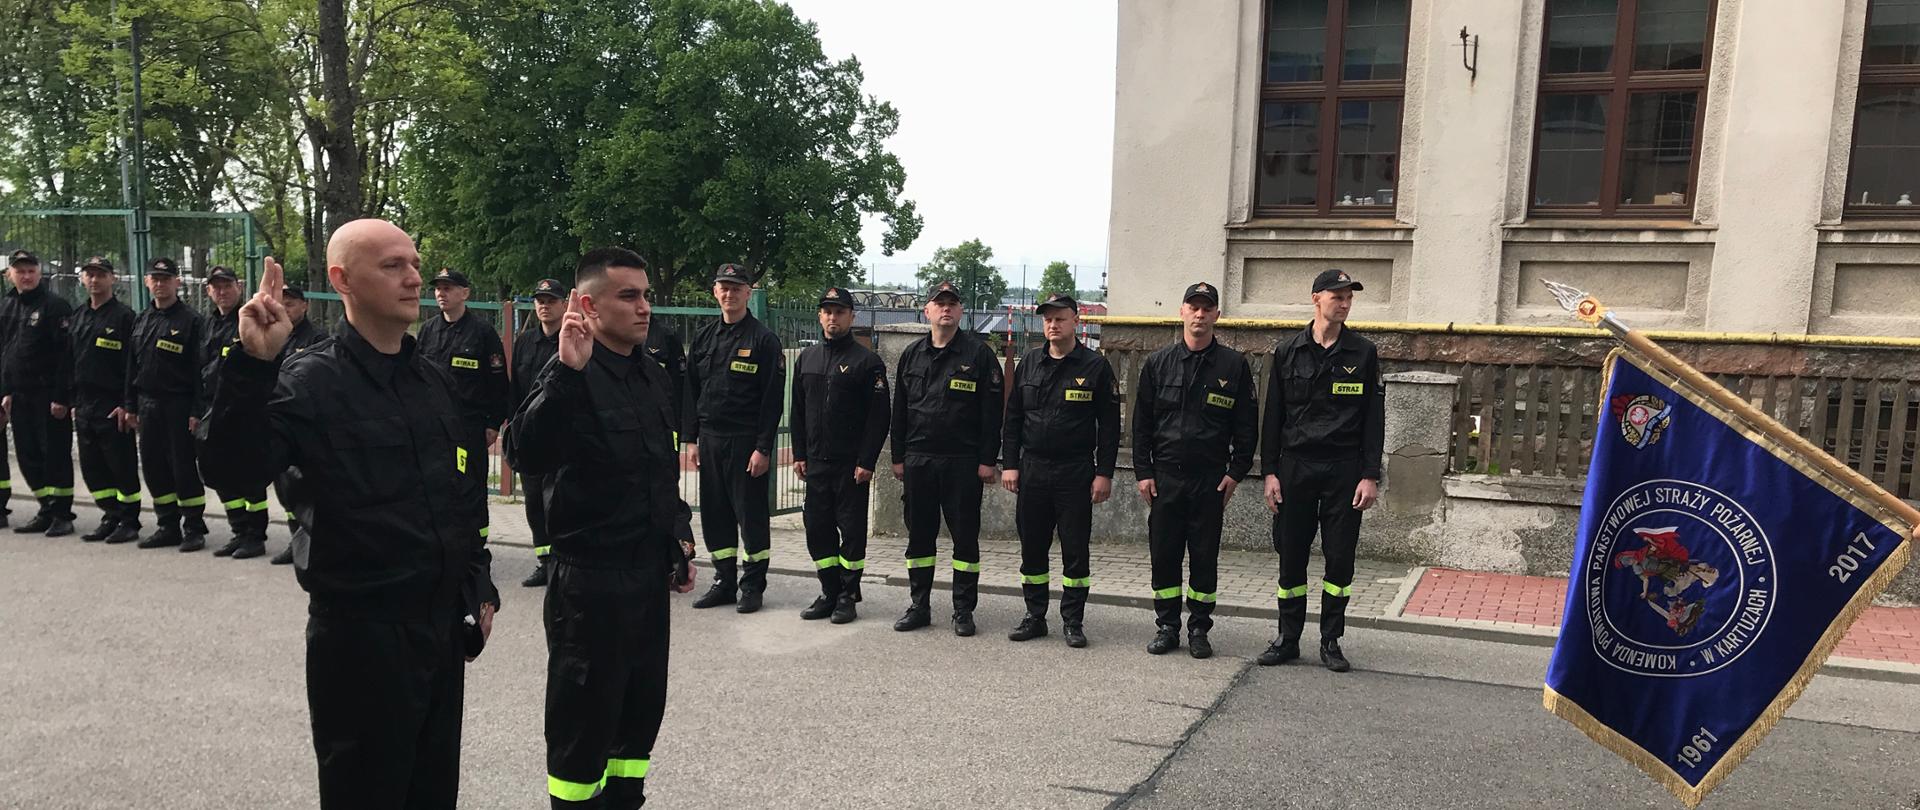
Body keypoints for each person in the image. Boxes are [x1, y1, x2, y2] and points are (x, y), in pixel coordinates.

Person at [199, 221, 500, 808]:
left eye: (414, 262)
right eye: (392, 266)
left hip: (438, 636)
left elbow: (458, 496)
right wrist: (252, 367)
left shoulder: (432, 381)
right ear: (342, 279)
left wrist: (476, 578)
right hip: (362, 641)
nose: (415, 277)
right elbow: (232, 472)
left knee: (432, 794)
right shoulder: (309, 380)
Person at [505, 248, 684, 809]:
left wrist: (677, 532)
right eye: (628, 296)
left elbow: (659, 467)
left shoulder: (652, 374)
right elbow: (523, 453)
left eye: (646, 294)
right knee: (584, 729)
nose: (644, 307)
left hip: (646, 579)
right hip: (589, 583)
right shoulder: (568, 372)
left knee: (636, 722)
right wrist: (565, 373)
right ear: (588, 304)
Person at [1259, 268, 1385, 673]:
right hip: (1295, 468)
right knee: (1291, 557)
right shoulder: (1287, 352)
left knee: (1340, 561)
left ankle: (1331, 640)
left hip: (1343, 471)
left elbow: (1372, 419)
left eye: (1349, 297)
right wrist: (1270, 472)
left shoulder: (1363, 353)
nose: (1345, 303)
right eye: (1338, 296)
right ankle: (1288, 638)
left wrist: (1370, 474)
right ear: (1316, 299)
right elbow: (1273, 417)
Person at [1132, 282, 1258, 659]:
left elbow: (1246, 427)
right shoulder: (1158, 363)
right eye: (1194, 307)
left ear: (1217, 315)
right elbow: (1141, 425)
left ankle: (1199, 628)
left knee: (1204, 557)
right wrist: (1143, 472)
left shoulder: (1233, 366)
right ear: (1182, 312)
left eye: (1207, 308)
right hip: (1166, 478)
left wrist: (1235, 473)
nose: (1200, 314)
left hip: (1210, 480)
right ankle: (1167, 626)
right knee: (1164, 554)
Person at [1000, 293, 1120, 648]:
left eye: (1060, 318)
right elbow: (1013, 419)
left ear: (1076, 321)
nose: (1053, 324)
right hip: (1033, 468)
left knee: (1075, 549)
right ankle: (1034, 616)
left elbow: (1110, 426)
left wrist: (1104, 473)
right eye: (1048, 319)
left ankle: (1073, 621)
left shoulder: (1095, 367)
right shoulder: (1030, 363)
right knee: (1032, 549)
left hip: (1075, 471)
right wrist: (1010, 465)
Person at [889, 280, 1002, 636]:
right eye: (939, 303)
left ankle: (963, 611)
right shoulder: (912, 354)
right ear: (927, 311)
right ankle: (919, 605)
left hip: (963, 462)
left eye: (952, 303)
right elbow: (900, 410)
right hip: (919, 459)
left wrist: (988, 459)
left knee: (965, 539)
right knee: (919, 538)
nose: (946, 309)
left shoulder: (978, 354)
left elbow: (992, 411)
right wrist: (897, 456)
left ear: (961, 311)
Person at [682, 263, 783, 613]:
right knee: (715, 514)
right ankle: (724, 582)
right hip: (709, 440)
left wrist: (763, 447)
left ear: (748, 294)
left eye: (736, 288)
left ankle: (752, 586)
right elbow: (690, 391)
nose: (729, 293)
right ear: (715, 292)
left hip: (745, 443)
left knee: (751, 516)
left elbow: (772, 400)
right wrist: (691, 439)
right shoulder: (704, 337)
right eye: (723, 287)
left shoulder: (764, 340)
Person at [789, 287, 888, 624]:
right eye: (827, 311)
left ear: (851, 317)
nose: (833, 317)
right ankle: (828, 591)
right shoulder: (808, 359)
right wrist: (799, 453)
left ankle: (848, 595)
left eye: (840, 312)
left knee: (852, 532)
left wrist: (867, 461)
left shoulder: (867, 363)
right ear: (820, 316)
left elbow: (878, 419)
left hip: (850, 467)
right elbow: (797, 411)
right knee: (817, 529)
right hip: (815, 463)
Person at [127, 257, 211, 551]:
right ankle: (167, 525)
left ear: (178, 282)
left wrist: (196, 411)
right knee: (153, 466)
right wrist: (130, 405)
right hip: (147, 404)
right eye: (155, 278)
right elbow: (131, 366)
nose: (160, 284)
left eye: (166, 278)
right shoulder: (142, 319)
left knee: (182, 466)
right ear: (147, 282)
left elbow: (199, 371)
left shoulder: (191, 320)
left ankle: (193, 527)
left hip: (178, 404)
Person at [0, 248, 77, 536]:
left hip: (47, 395)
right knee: (27, 455)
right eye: (20, 271)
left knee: (54, 455)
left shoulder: (55, 306)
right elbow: (4, 352)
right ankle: (45, 507)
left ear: (40, 273)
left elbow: (65, 356)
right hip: (18, 395)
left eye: (31, 270)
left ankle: (62, 514)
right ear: (11, 274)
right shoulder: (6, 305)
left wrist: (61, 396)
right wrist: (4, 391)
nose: (26, 276)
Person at [68, 257, 144, 543]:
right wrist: (70, 399)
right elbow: (70, 360)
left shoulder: (124, 317)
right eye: (89, 274)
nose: (95, 280)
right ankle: (110, 515)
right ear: (82, 279)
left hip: (112, 405)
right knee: (92, 467)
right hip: (84, 404)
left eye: (101, 274)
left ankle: (129, 520)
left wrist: (127, 403)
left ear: (112, 279)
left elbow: (131, 365)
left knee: (120, 465)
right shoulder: (78, 315)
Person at [417, 268, 510, 497]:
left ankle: (477, 533)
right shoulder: (428, 330)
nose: (441, 293)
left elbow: (498, 382)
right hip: (434, 425)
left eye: (447, 288)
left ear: (464, 293)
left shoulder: (482, 332)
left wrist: (493, 423)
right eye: (438, 288)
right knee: (436, 485)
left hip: (470, 425)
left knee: (471, 486)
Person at [201, 266, 272, 559]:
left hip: (243, 411)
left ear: (239, 287)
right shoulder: (206, 325)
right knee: (221, 475)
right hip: (212, 409)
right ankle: (238, 531)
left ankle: (256, 536)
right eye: (216, 286)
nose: (222, 291)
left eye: (227, 285)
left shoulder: (248, 320)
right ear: (208, 291)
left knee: (249, 476)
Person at [268, 283, 329, 566]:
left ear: (304, 306)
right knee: (286, 488)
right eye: (281, 303)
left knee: (308, 487)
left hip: (307, 424)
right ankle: (296, 542)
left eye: (291, 303)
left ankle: (316, 543)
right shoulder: (273, 336)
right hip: (279, 421)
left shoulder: (316, 338)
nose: (286, 308)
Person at [513, 278, 566, 588]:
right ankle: (544, 561)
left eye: (550, 300)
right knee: (534, 502)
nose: (544, 305)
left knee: (561, 500)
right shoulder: (525, 342)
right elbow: (515, 390)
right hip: (531, 437)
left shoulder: (571, 339)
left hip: (562, 436)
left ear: (563, 304)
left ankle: (564, 559)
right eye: (540, 300)